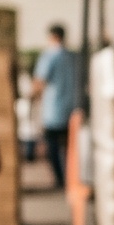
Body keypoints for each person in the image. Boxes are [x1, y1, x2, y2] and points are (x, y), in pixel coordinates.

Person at [31, 22, 82, 190]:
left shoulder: (50, 56)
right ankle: (72, 178)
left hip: (54, 110)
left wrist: (33, 97)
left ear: (52, 36)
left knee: (52, 147)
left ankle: (60, 180)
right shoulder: (73, 56)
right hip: (73, 109)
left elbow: (40, 82)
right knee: (71, 148)